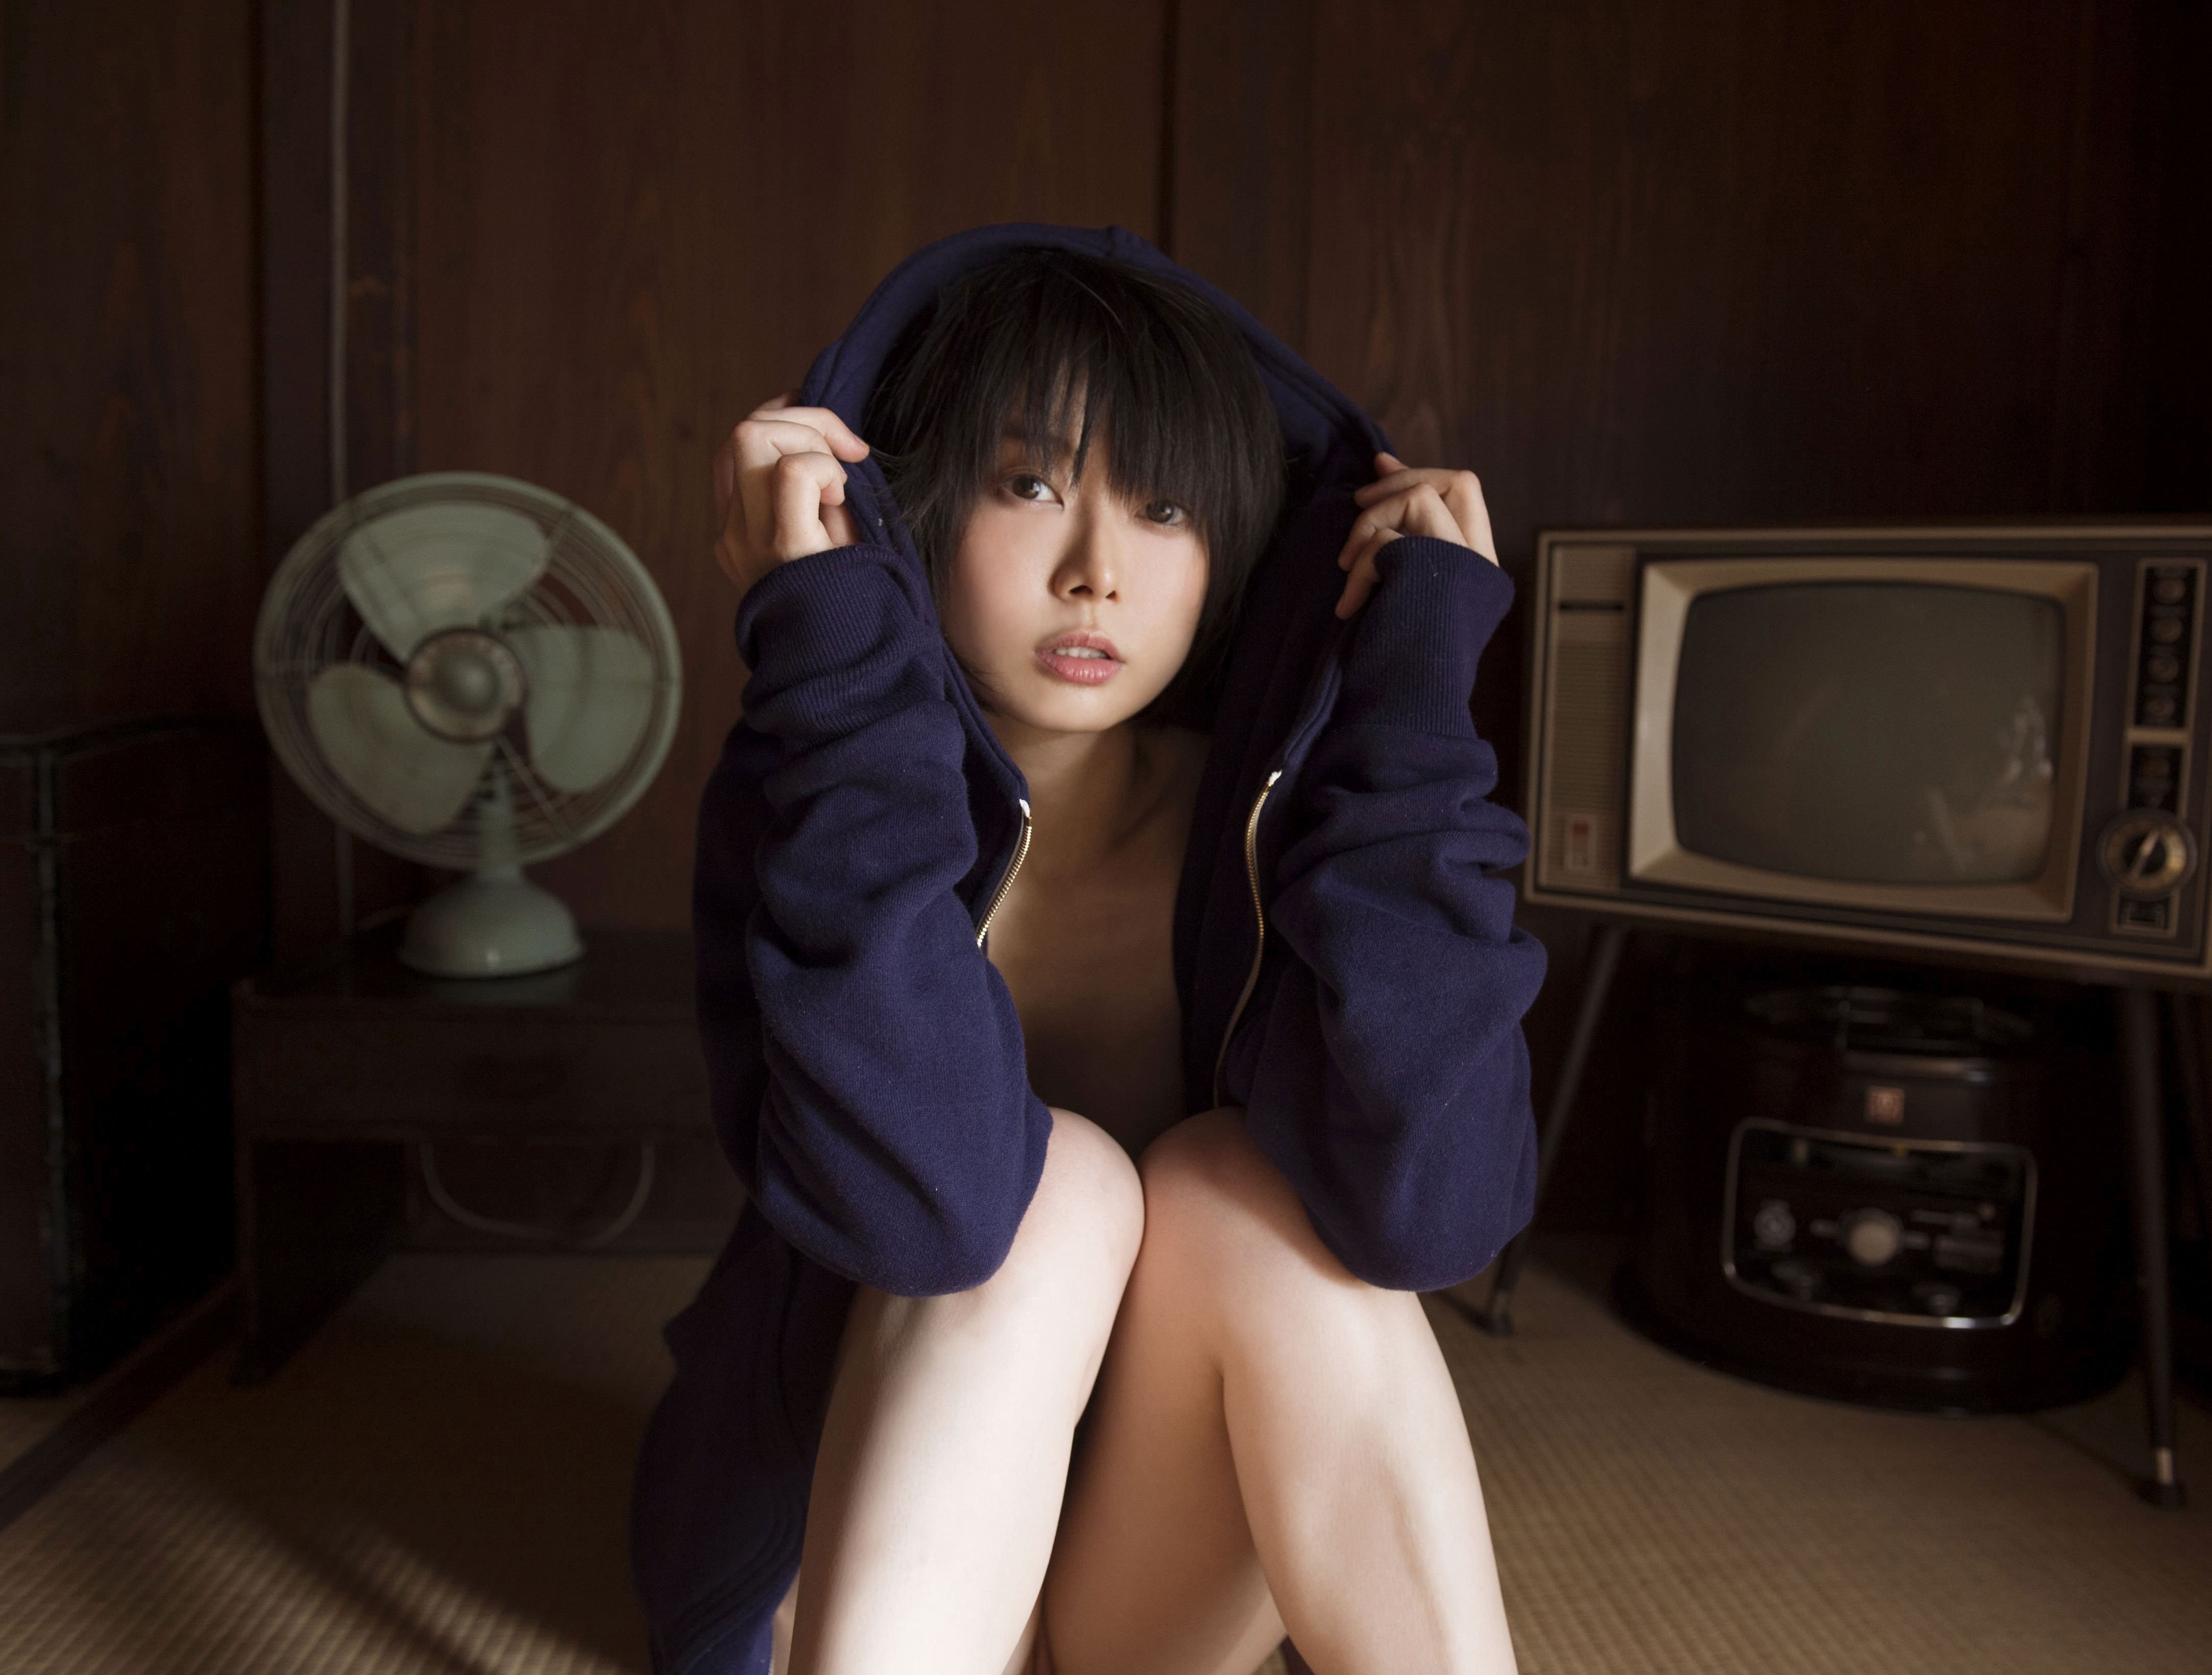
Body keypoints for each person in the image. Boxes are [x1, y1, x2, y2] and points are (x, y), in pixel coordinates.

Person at [629, 225, 1547, 1675]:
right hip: (857, 1545)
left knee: (1251, 1201)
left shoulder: (1278, 829)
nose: (1097, 573)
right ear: (905, 507)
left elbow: (1431, 1220)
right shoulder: (824, 789)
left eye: (1165, 508)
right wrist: (832, 651)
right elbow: (922, 1216)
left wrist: (1414, 697)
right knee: (1046, 1190)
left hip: (1150, 1548)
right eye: (1030, 485)